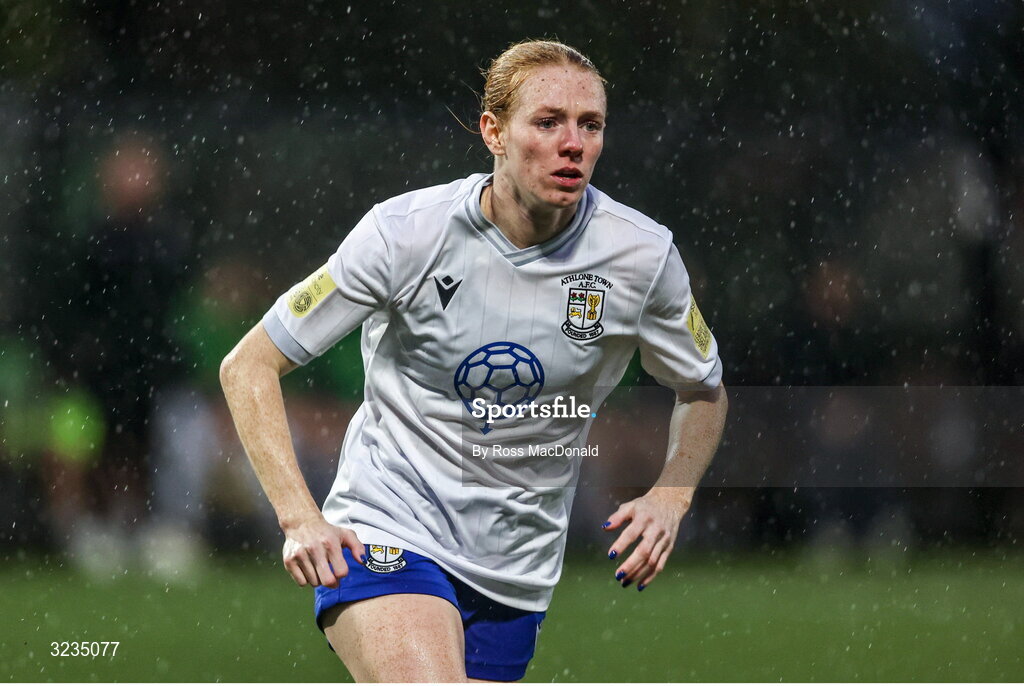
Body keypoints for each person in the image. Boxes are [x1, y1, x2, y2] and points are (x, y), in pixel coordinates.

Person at [221, 40, 728, 682]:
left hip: (516, 567)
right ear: (493, 131)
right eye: (547, 122)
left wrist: (670, 496)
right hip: (389, 524)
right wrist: (299, 517)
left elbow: (703, 390)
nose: (572, 143)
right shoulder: (405, 233)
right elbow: (248, 365)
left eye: (590, 125)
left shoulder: (641, 257)